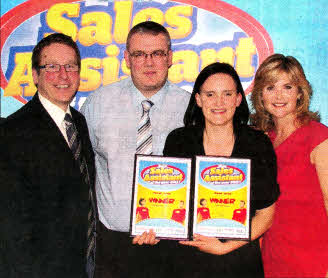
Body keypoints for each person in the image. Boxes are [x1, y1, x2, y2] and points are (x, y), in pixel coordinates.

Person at [81, 21, 190, 277]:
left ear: (170, 58)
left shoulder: (191, 107)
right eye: (140, 54)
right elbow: (81, 167)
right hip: (113, 248)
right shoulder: (98, 103)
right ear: (127, 59)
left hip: (174, 247)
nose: (149, 62)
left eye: (158, 54)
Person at [163, 62, 280, 277]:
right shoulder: (179, 141)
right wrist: (152, 228)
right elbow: (166, 203)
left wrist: (225, 247)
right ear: (198, 99)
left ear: (238, 99)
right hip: (186, 263)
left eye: (227, 94)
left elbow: (266, 215)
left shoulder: (257, 144)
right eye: (210, 94)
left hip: (239, 262)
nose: (219, 102)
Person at [0, 33, 97, 278]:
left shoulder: (79, 122)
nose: (63, 76)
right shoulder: (13, 131)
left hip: (83, 264)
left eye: (70, 66)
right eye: (52, 67)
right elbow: (10, 223)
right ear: (35, 75)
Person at [250, 54, 328, 278]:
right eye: (270, 87)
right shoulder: (261, 141)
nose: (279, 95)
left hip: (313, 259)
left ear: (300, 93)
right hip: (272, 258)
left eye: (288, 87)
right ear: (260, 95)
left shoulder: (318, 137)